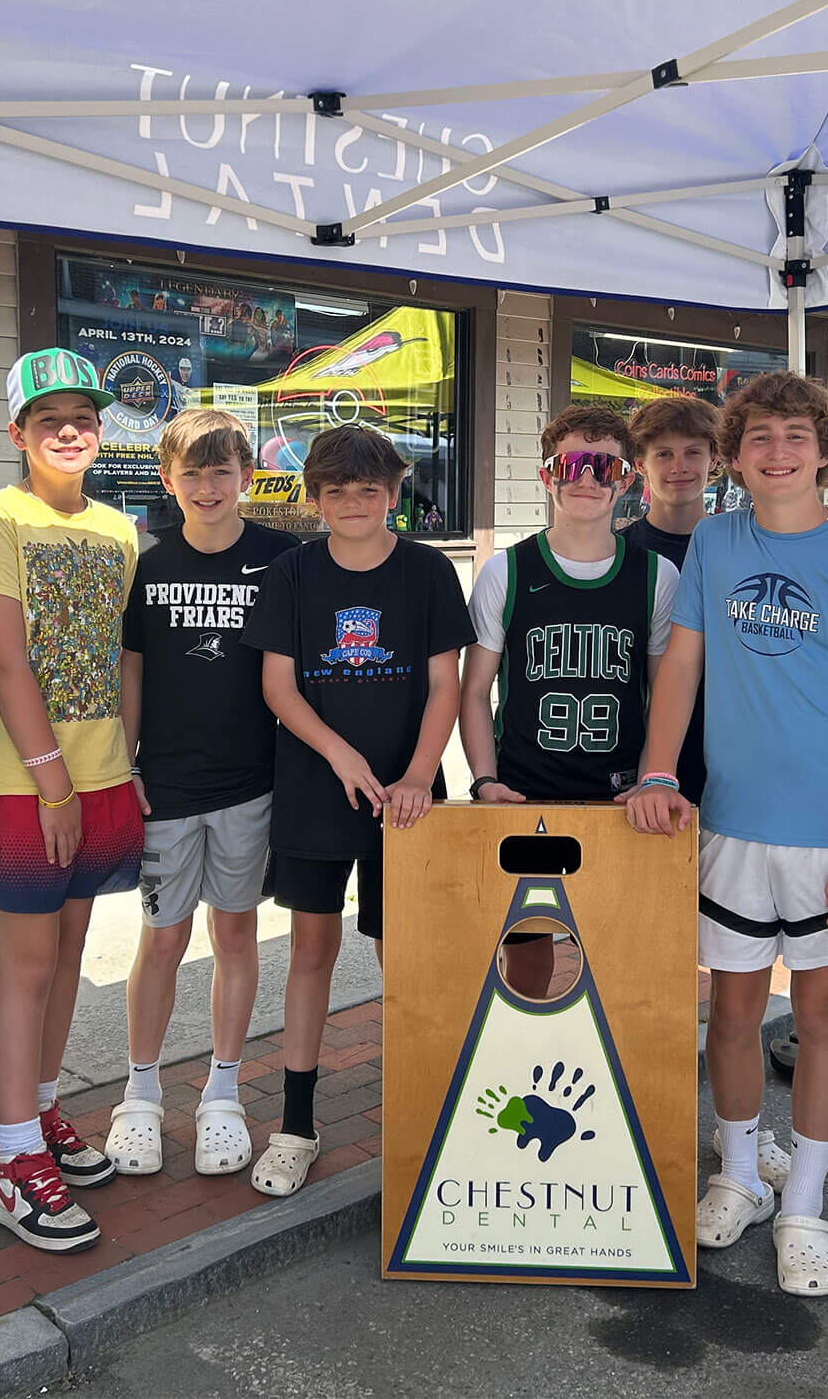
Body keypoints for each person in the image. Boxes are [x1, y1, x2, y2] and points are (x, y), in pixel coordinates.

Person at [626, 372, 828, 1297]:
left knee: (821, 1016)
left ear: (824, 452)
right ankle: (737, 1177)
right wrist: (654, 769)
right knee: (727, 1011)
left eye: (794, 436)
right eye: (759, 438)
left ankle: (803, 1203)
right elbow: (681, 668)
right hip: (731, 823)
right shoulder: (715, 544)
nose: (777, 453)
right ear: (737, 456)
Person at [241, 424, 472, 1196]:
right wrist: (340, 754)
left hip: (406, 802)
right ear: (315, 498)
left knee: (401, 956)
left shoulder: (428, 572)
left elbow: (445, 685)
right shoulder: (292, 573)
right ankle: (297, 1125)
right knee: (311, 950)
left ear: (394, 493)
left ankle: (419, 1109)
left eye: (368, 490)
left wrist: (415, 775)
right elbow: (278, 687)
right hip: (315, 791)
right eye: (336, 491)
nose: (353, 504)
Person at [0, 348, 140, 1253]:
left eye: (82, 417)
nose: (68, 432)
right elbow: (4, 658)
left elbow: (119, 653)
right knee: (25, 965)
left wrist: (122, 764)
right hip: (26, 784)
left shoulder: (119, 528)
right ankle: (9, 1161)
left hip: (106, 774)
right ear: (18, 434)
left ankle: (39, 1112)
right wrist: (52, 779)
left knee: (71, 956)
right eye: (49, 420)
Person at [108, 409, 294, 1179]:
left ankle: (223, 1092)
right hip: (169, 786)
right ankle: (140, 1095)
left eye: (222, 471)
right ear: (168, 481)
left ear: (246, 477)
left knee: (238, 935)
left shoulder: (284, 559)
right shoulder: (147, 567)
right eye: (193, 472)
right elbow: (133, 673)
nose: (208, 486)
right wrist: (126, 769)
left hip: (252, 783)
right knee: (162, 938)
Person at [460, 404, 677, 997]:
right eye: (572, 463)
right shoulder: (506, 571)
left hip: (621, 798)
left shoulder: (657, 576)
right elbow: (473, 692)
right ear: (546, 475)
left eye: (603, 465)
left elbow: (667, 694)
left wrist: (658, 778)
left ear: (626, 478)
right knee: (526, 953)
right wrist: (484, 782)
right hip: (525, 793)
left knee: (615, 951)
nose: (587, 478)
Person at [620, 393, 721, 806]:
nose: (679, 466)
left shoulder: (738, 550)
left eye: (692, 452)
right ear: (641, 465)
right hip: (638, 754)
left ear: (714, 460)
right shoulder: (618, 554)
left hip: (722, 751)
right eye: (664, 454)